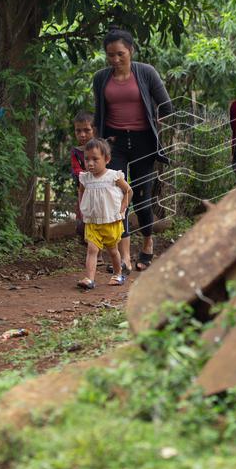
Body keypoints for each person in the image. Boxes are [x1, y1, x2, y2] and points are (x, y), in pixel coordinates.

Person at [92, 27, 173, 273]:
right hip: (114, 143)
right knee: (118, 197)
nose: (115, 59)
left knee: (140, 198)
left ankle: (148, 241)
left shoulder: (146, 73)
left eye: (120, 54)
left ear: (131, 51)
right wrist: (99, 143)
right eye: (110, 55)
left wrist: (154, 123)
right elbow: (99, 113)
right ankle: (124, 256)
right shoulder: (101, 78)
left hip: (143, 142)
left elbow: (167, 106)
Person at [76, 138, 132, 290]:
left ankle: (118, 274)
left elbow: (128, 191)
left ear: (107, 159)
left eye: (95, 159)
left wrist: (123, 206)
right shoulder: (85, 178)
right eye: (87, 159)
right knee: (92, 249)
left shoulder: (113, 176)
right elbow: (81, 191)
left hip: (110, 222)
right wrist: (82, 206)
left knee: (113, 251)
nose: (90, 163)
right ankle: (89, 278)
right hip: (93, 222)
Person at [70, 110, 96, 240]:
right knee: (83, 222)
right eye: (78, 131)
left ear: (94, 130)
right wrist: (85, 174)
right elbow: (76, 169)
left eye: (87, 130)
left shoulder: (102, 148)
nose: (82, 135)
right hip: (84, 190)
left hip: (102, 191)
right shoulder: (76, 152)